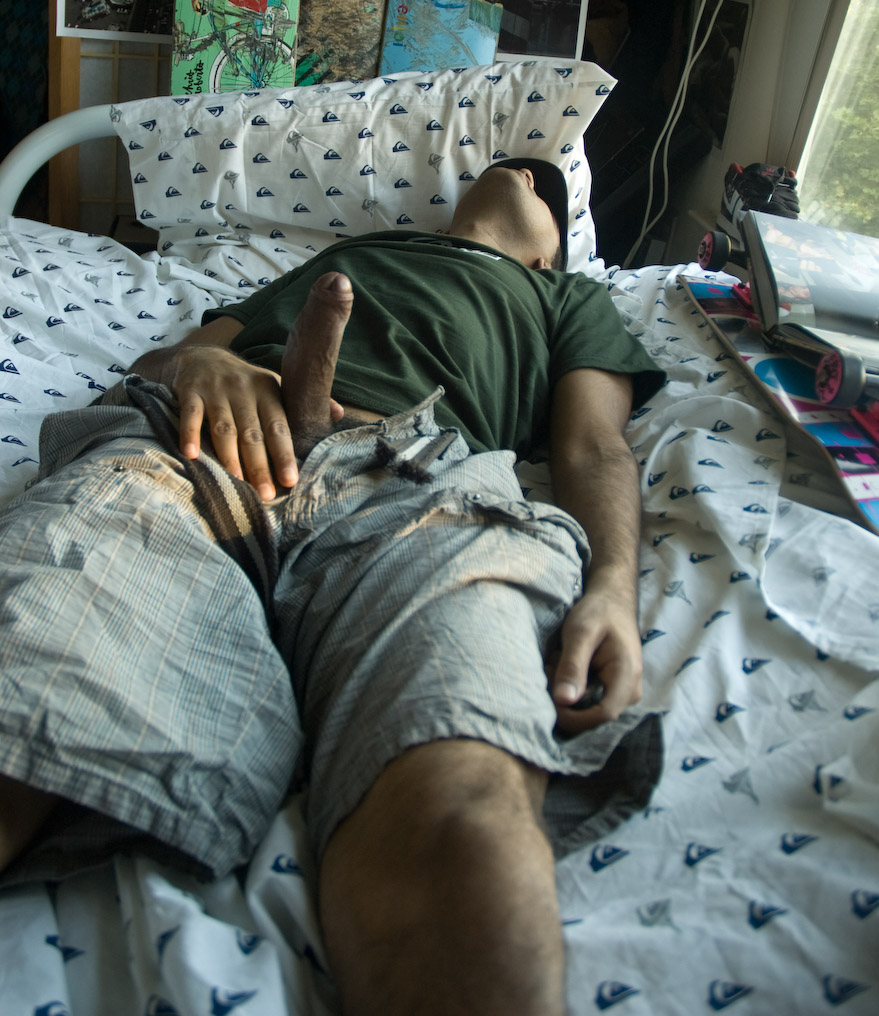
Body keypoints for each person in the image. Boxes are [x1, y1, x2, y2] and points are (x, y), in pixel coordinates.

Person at [0, 160, 664, 1016]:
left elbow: (594, 448)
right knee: (24, 678)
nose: (521, 174)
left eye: (545, 186)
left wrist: (610, 588)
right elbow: (165, 358)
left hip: (416, 487)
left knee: (464, 808)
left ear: (549, 256)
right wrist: (203, 365)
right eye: (512, 166)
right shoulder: (360, 251)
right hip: (199, 450)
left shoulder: (565, 298)